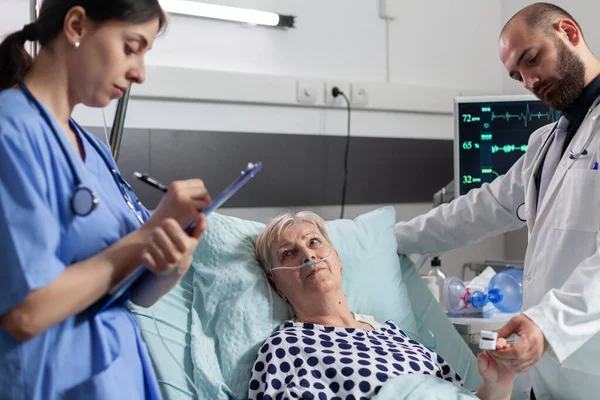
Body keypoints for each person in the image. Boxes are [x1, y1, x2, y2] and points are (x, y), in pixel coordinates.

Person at [0, 1, 212, 399]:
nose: (140, 73)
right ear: (76, 25)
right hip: (48, 382)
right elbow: (26, 313)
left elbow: (136, 293)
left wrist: (172, 260)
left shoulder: (94, 150)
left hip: (118, 379)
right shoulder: (10, 132)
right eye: (131, 47)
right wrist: (143, 238)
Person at [395, 3, 600, 399]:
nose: (529, 81)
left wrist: (549, 324)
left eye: (532, 59)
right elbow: (477, 211)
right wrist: (384, 237)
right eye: (517, 74)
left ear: (569, 33)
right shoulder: (545, 143)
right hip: (549, 373)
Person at [249, 211, 517, 400]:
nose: (308, 255)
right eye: (288, 253)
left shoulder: (393, 333)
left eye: (314, 241)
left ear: (338, 259)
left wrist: (498, 384)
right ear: (275, 285)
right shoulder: (286, 347)